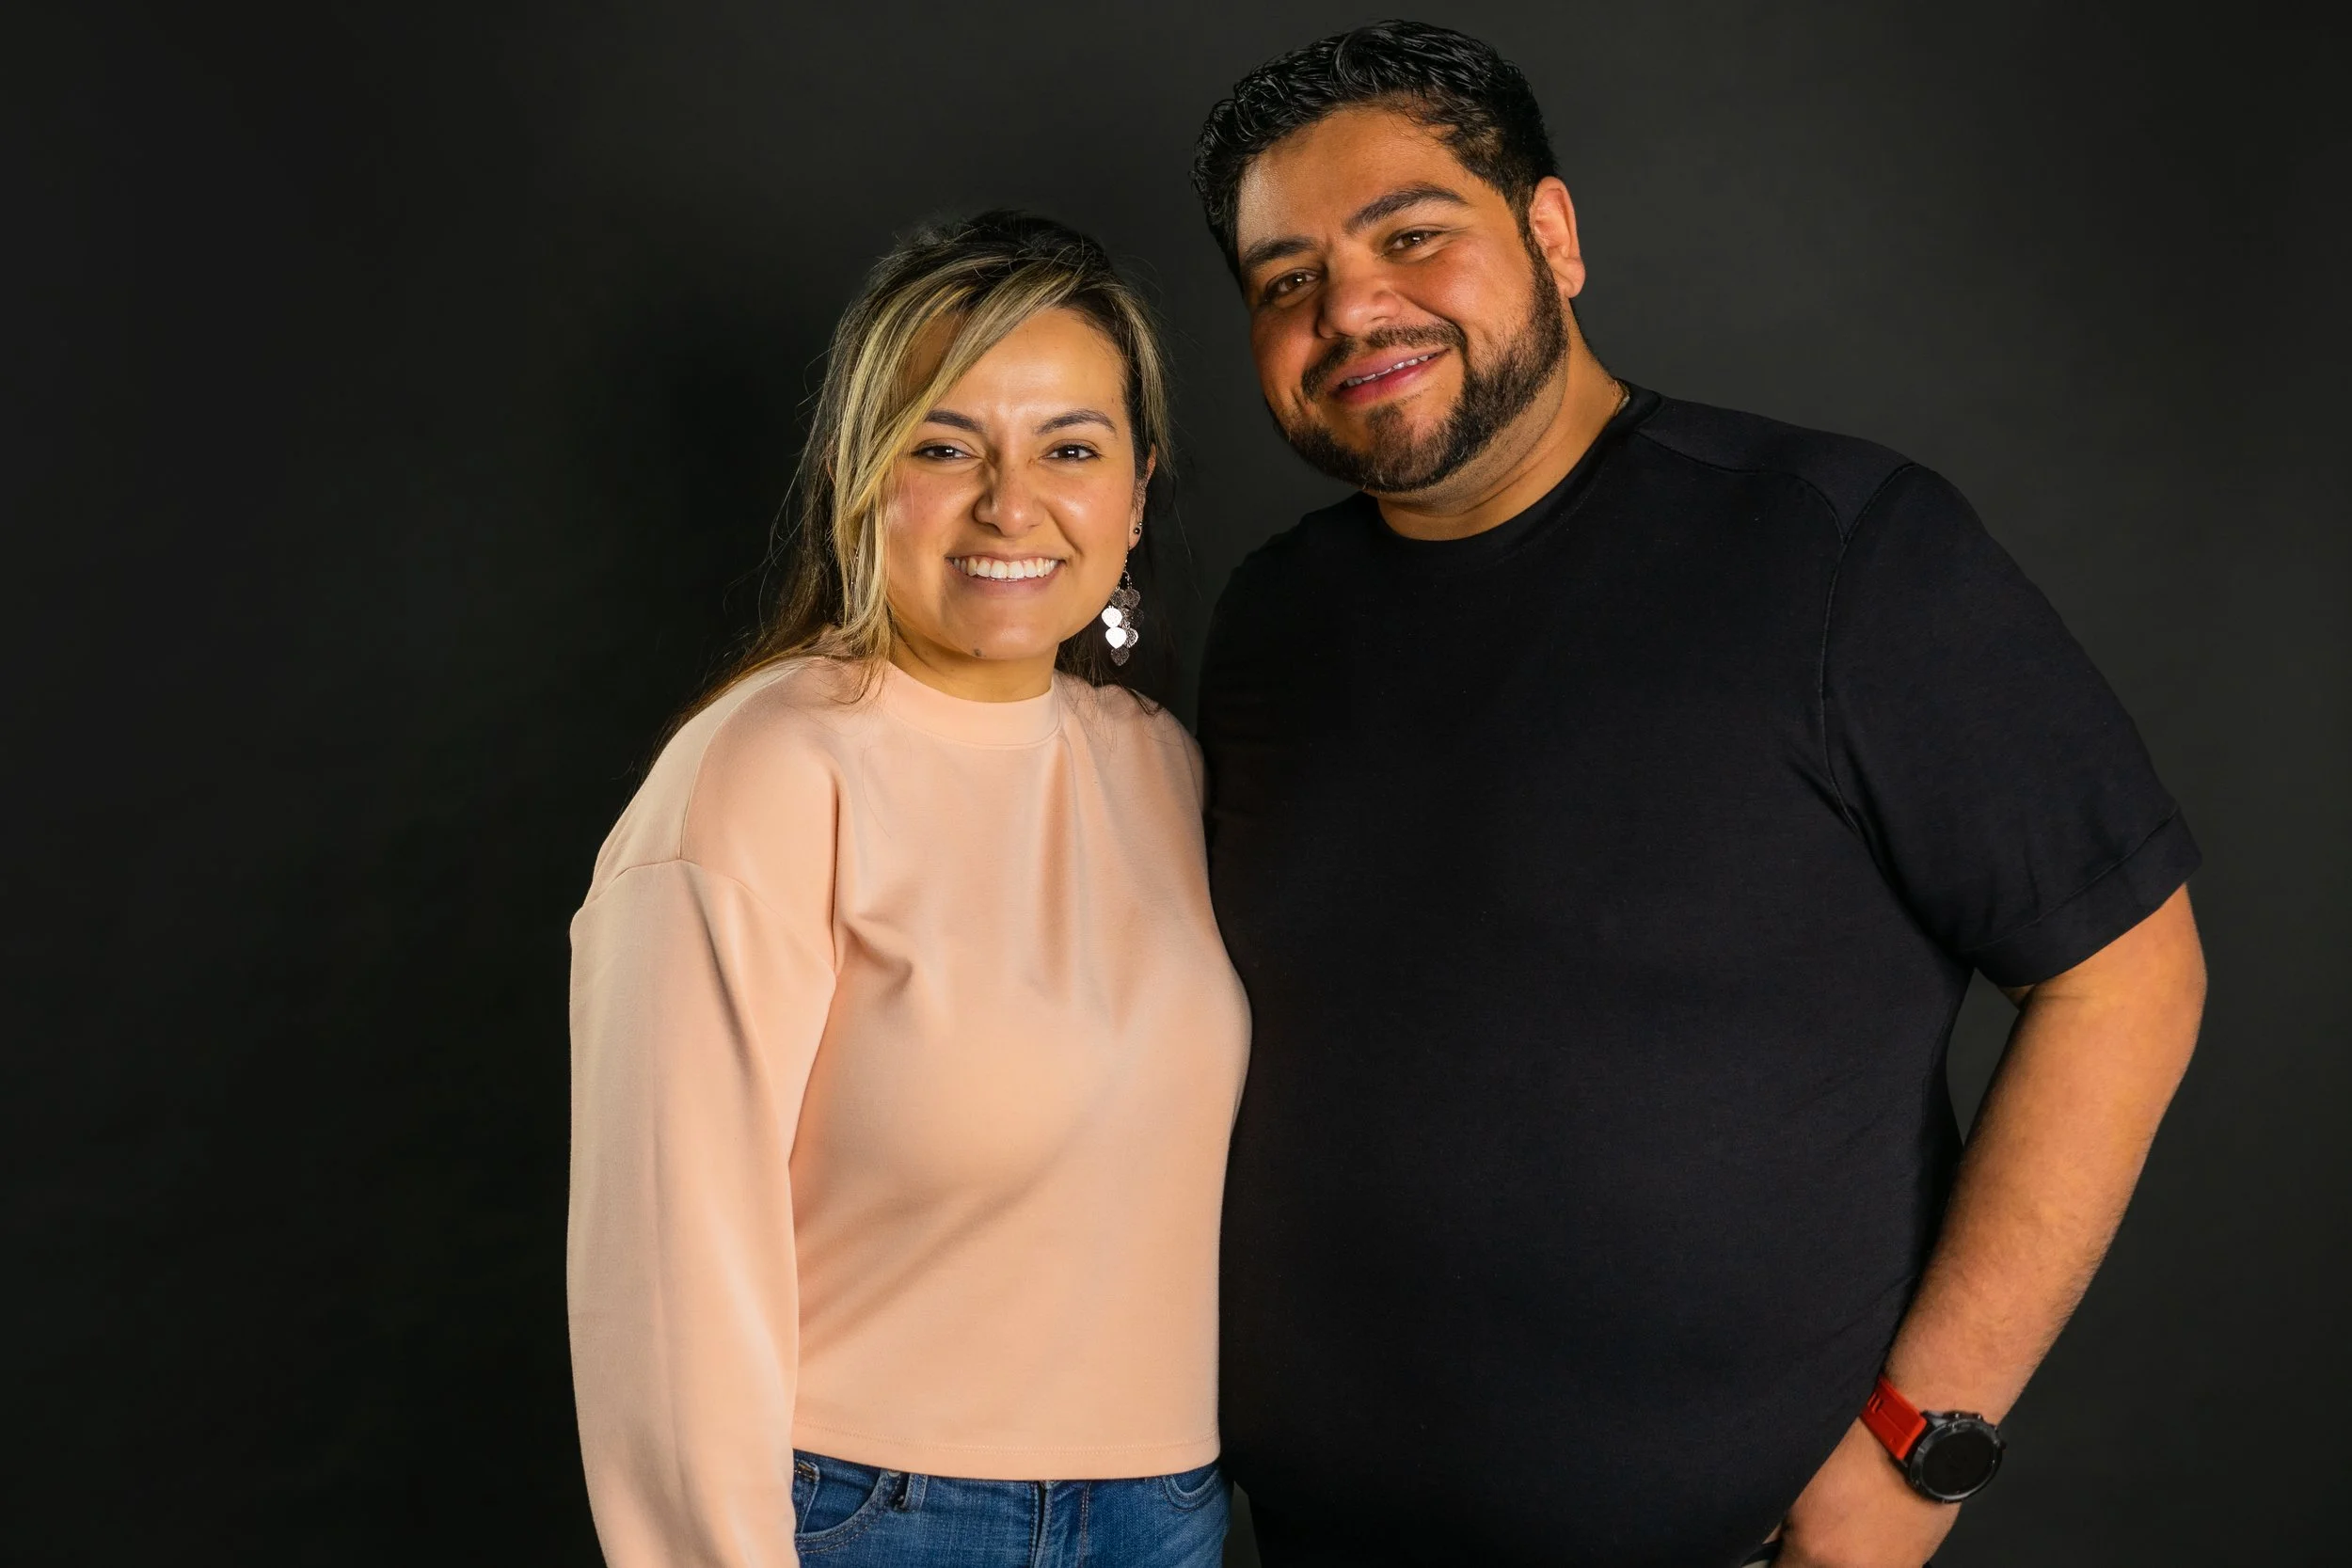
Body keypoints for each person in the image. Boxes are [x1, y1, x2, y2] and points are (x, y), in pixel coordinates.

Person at [1189, 23, 2207, 1568]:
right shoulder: (1270, 620)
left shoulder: (1837, 554)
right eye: (1285, 281)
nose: (1352, 309)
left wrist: (1917, 1460)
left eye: (1411, 235)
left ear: (1553, 233)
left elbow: (2128, 977)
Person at [566, 212, 1248, 1568]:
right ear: (859, 476)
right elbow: (666, 1270)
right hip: (873, 1517)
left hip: (1165, 1512)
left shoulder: (1161, 767)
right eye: (946, 446)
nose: (1013, 503)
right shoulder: (764, 775)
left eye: (1071, 447)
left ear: (1137, 486)